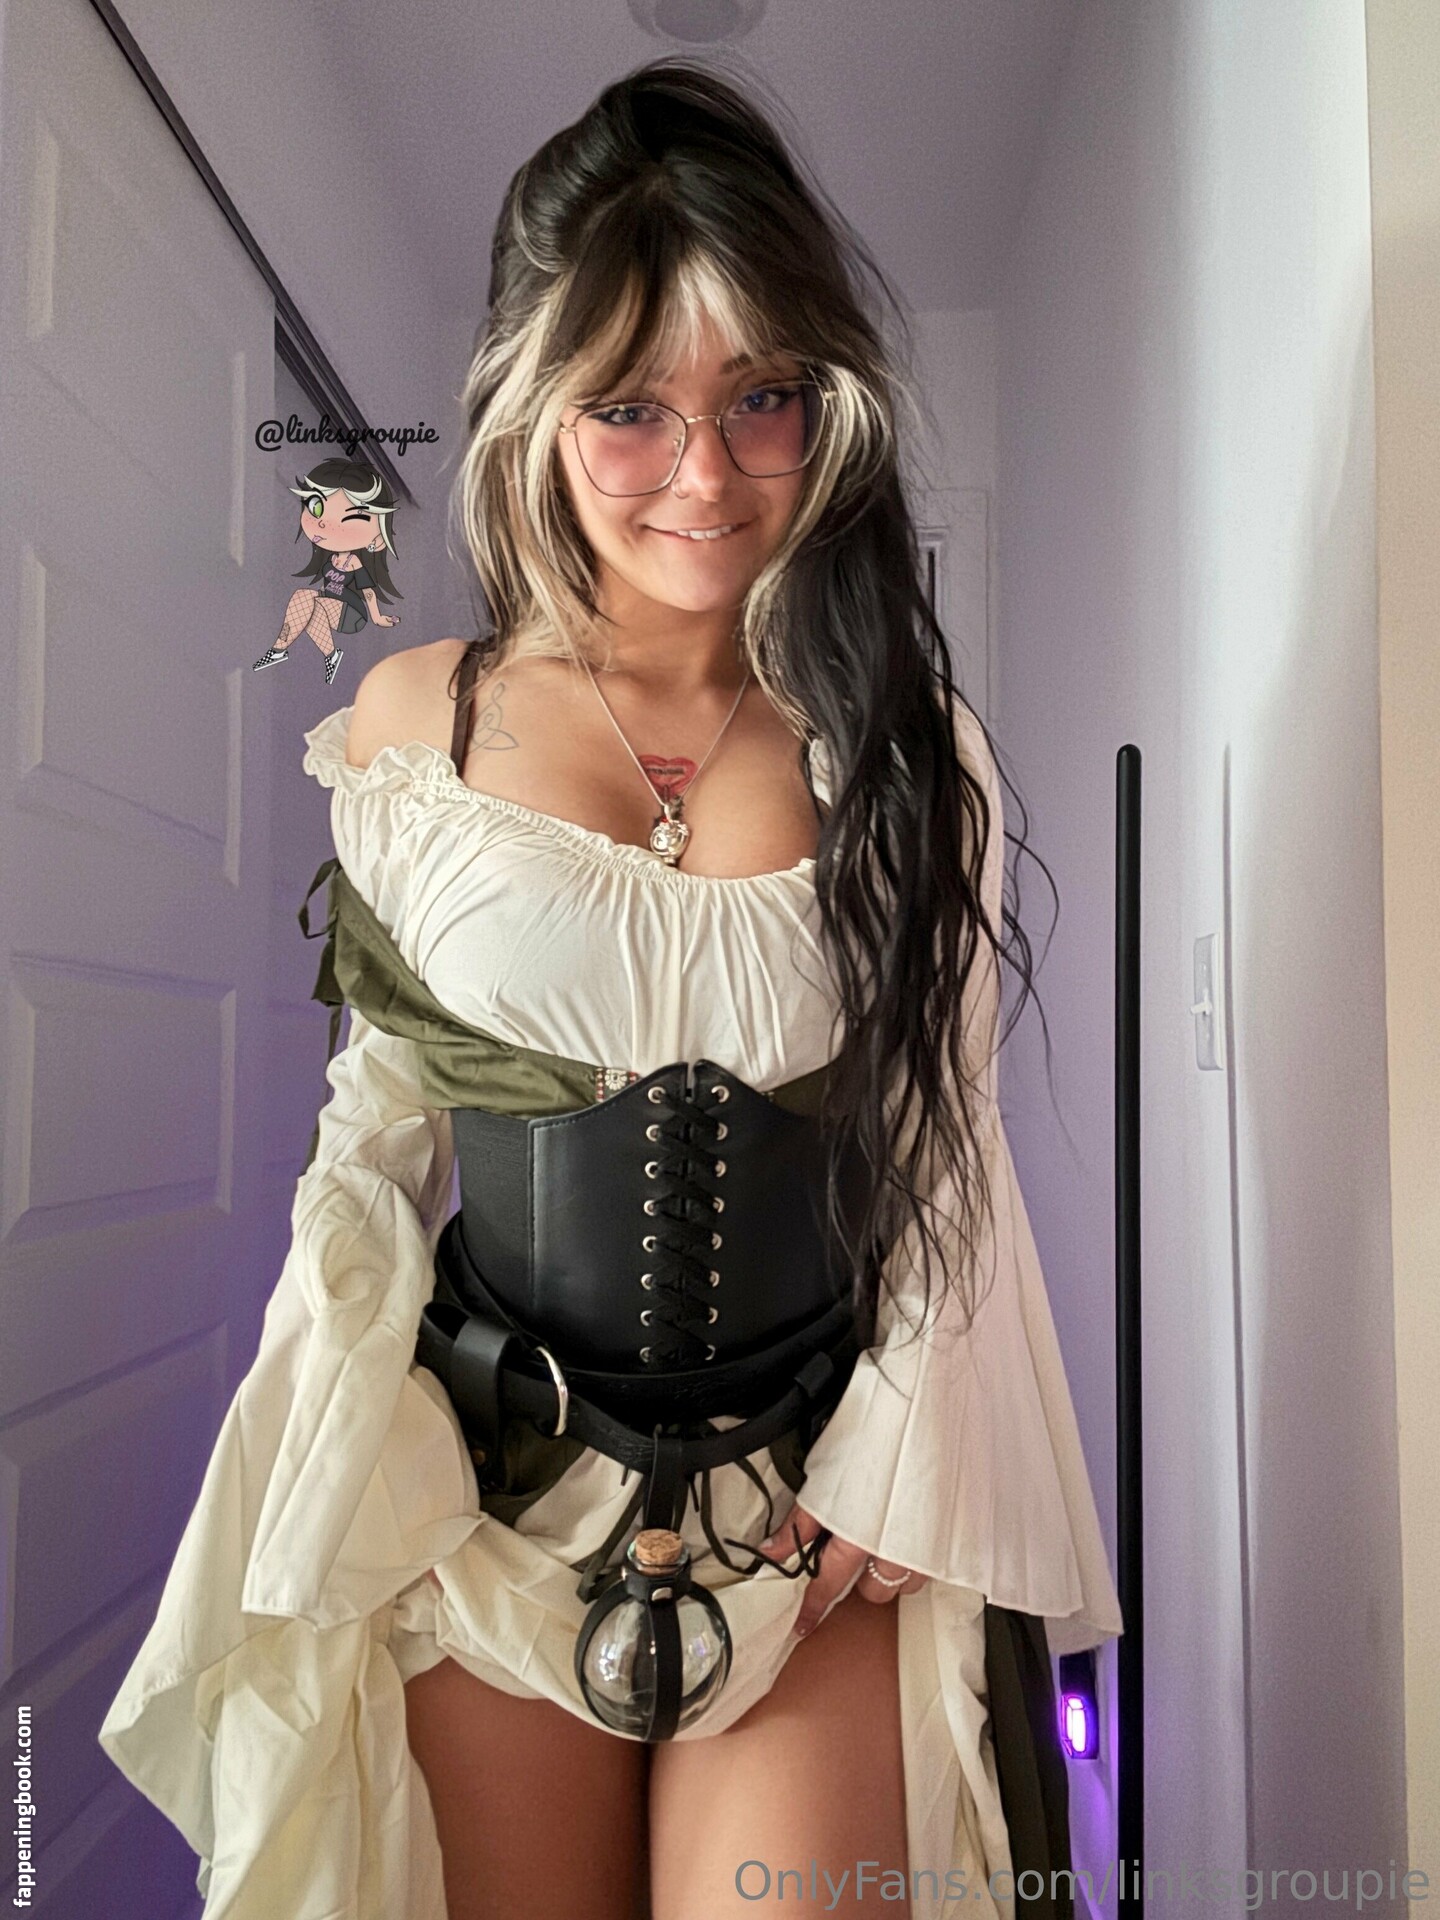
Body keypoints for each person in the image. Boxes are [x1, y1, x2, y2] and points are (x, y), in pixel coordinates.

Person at [99, 58, 1122, 1920]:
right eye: (631, 410)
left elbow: (942, 1142)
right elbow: (381, 1127)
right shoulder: (421, 722)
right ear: (535, 409)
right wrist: (345, 1456)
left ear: (828, 407)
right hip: (487, 1502)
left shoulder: (908, 749)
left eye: (762, 400)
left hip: (804, 1514)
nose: (706, 478)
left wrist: (895, 1470)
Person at [252, 458, 403, 685]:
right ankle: (328, 655)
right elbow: (327, 587)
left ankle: (279, 650)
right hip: (328, 606)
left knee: (309, 601)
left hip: (352, 613)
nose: (324, 524)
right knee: (307, 602)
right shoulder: (331, 558)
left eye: (351, 517)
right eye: (317, 507)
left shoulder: (354, 562)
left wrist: (377, 617)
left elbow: (368, 591)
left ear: (377, 537)